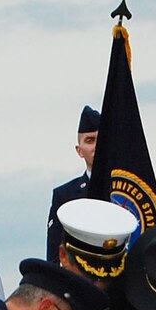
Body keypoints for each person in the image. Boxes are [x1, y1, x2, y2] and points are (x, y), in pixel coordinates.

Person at [43, 105, 100, 261]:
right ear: (79, 150)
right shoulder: (65, 195)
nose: (97, 146)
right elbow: (55, 255)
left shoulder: (127, 191)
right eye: (90, 140)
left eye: (102, 139)